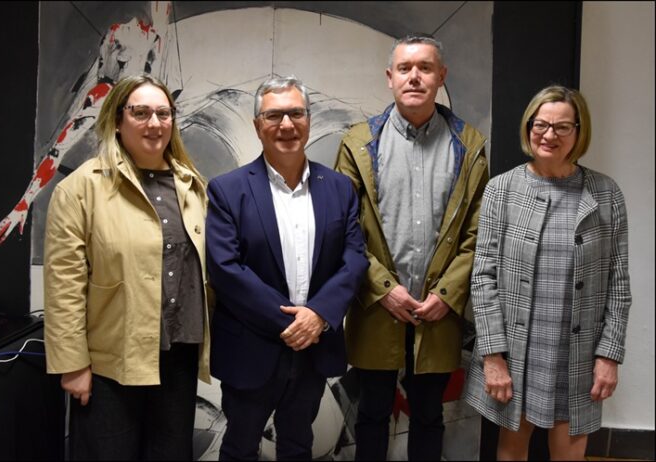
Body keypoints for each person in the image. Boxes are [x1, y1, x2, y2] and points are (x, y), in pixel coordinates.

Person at [333, 33, 489, 460]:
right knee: (371, 412)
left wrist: (447, 294)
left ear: (441, 75)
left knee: (428, 414)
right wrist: (383, 289)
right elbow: (344, 228)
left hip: (437, 313)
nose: (414, 77)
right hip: (375, 306)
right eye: (405, 68)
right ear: (390, 77)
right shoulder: (358, 144)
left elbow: (477, 233)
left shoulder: (469, 146)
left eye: (425, 68)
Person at [43, 74, 211, 460]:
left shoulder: (191, 185)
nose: (155, 123)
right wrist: (72, 365)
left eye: (163, 113)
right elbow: (64, 283)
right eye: (141, 113)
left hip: (178, 357)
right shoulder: (82, 188)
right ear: (118, 120)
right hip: (111, 362)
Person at [463, 85, 632, 460]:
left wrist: (609, 356)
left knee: (569, 452)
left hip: (578, 353)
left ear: (579, 131)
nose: (549, 135)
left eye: (562, 127)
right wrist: (492, 356)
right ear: (528, 127)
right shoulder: (502, 190)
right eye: (540, 124)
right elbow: (483, 277)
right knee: (511, 449)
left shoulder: (606, 193)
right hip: (517, 349)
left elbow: (619, 286)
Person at [205, 75, 369, 460]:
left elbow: (354, 258)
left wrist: (319, 315)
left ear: (308, 119)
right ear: (257, 125)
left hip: (314, 350)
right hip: (250, 350)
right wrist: (293, 323)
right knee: (240, 449)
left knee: (299, 447)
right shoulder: (227, 189)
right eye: (274, 115)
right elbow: (226, 268)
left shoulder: (339, 188)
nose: (286, 124)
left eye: (296, 113)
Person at [0, 1, 177, 246]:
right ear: (118, 57)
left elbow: (159, 26)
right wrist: (24, 203)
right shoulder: (102, 97)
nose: (132, 22)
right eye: (121, 34)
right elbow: (56, 153)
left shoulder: (150, 95)